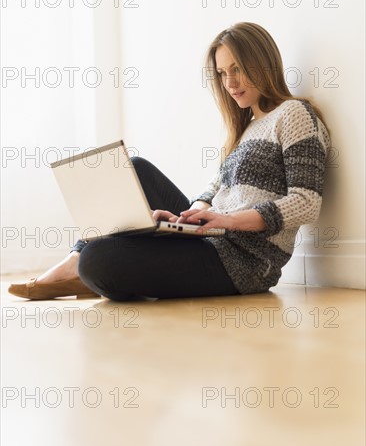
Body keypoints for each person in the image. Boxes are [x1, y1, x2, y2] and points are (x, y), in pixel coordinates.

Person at [9, 22, 331, 301]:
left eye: (237, 69)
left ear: (263, 63)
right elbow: (213, 191)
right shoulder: (245, 129)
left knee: (97, 260)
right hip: (213, 237)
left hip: (245, 261)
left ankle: (85, 266)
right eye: (222, 73)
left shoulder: (294, 115)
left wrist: (229, 220)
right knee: (135, 169)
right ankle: (74, 260)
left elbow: (306, 202)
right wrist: (187, 218)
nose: (230, 82)